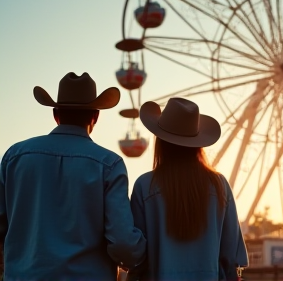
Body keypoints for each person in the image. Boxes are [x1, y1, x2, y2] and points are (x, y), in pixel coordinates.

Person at [0, 72, 146, 281]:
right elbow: (122, 241)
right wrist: (142, 254)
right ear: (95, 116)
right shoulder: (109, 164)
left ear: (55, 114)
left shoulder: (15, 156)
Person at [127, 98, 248, 281]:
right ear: (197, 144)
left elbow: (136, 254)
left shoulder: (145, 186)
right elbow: (230, 256)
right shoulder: (219, 185)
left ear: (160, 142)